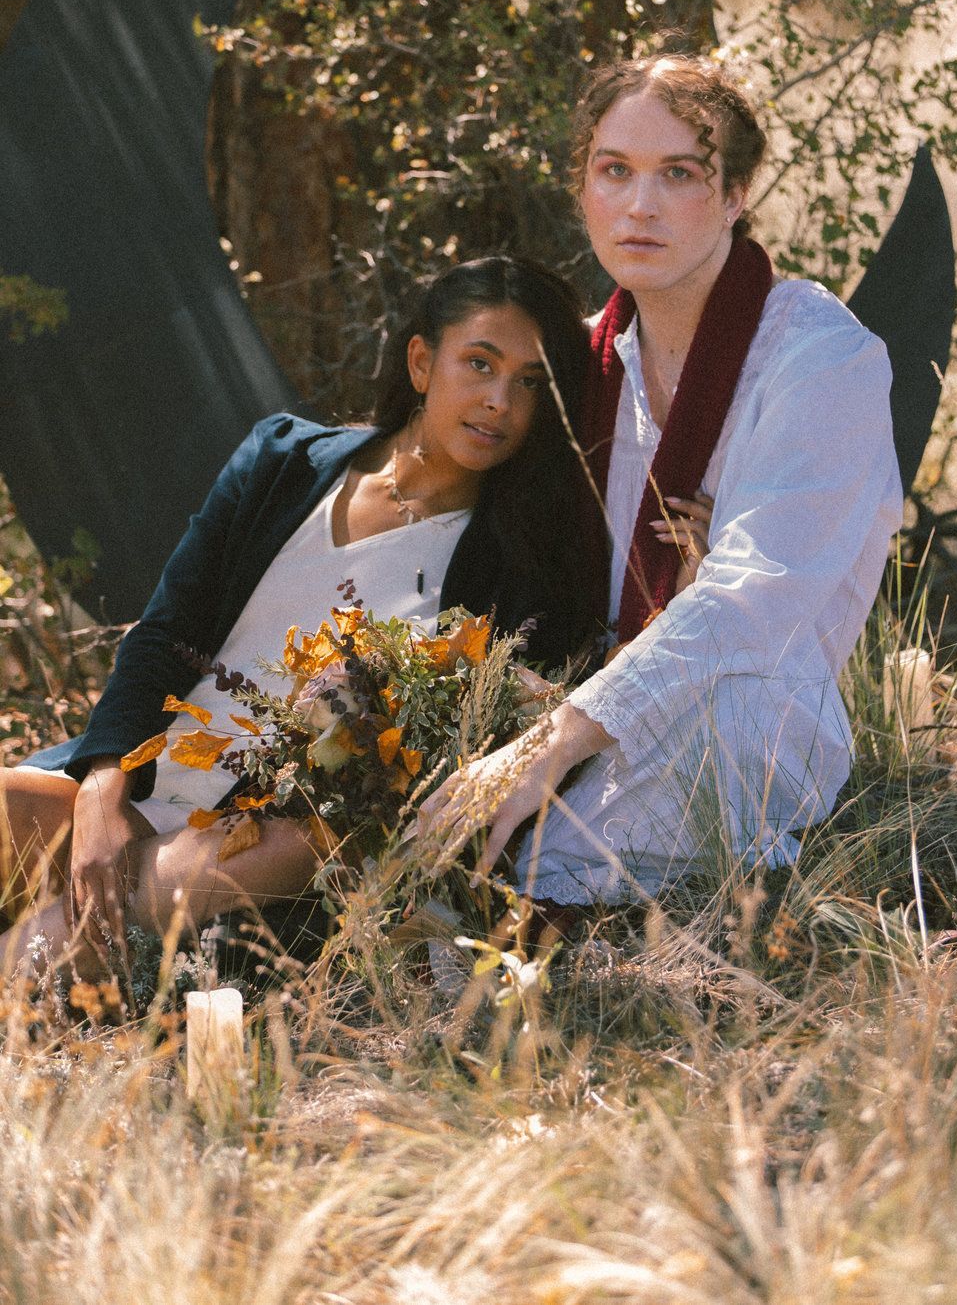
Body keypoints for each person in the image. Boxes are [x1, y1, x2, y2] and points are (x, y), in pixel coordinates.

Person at [0, 256, 597, 973]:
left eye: (529, 382)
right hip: (140, 784)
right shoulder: (282, 460)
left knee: (33, 963)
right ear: (419, 361)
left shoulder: (517, 566)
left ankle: (57, 961)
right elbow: (164, 632)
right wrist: (101, 791)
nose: (501, 400)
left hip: (253, 851)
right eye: (479, 363)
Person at [419, 53, 905, 905]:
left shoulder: (819, 358)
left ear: (735, 193)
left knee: (514, 852)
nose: (638, 206)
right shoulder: (577, 362)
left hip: (741, 716)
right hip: (576, 693)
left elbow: (751, 597)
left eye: (678, 174)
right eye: (615, 171)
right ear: (583, 189)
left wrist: (550, 745)